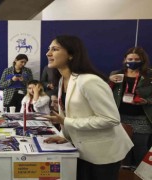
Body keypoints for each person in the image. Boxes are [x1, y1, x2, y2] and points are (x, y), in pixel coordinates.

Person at [43, 35, 133, 180]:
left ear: (71, 54)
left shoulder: (89, 81)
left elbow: (110, 119)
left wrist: (66, 122)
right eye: (49, 49)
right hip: (82, 149)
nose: (48, 53)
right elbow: (73, 114)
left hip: (103, 154)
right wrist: (63, 136)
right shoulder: (62, 81)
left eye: (55, 49)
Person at [109, 46, 152, 169]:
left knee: (140, 149)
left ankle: (140, 175)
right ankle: (123, 174)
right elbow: (105, 94)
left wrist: (146, 101)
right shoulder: (116, 74)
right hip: (120, 118)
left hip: (142, 118)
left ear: (142, 60)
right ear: (125, 60)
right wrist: (109, 81)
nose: (132, 61)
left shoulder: (149, 75)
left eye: (136, 59)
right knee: (121, 150)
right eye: (130, 59)